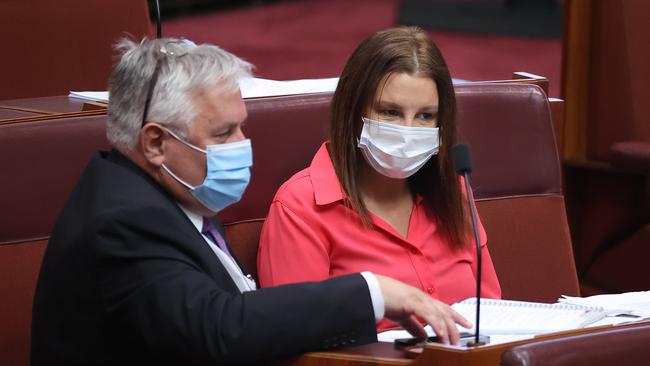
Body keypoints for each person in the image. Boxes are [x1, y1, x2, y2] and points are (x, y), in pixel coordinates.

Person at [30, 37, 471, 366]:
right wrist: (375, 292)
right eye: (223, 134)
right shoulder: (123, 219)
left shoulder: (168, 194)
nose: (242, 145)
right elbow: (221, 328)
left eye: (240, 127)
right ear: (156, 143)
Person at [257, 26, 502, 330]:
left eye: (425, 116)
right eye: (390, 112)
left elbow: (490, 310)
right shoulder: (300, 207)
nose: (407, 131)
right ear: (353, 111)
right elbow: (291, 333)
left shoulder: (454, 190)